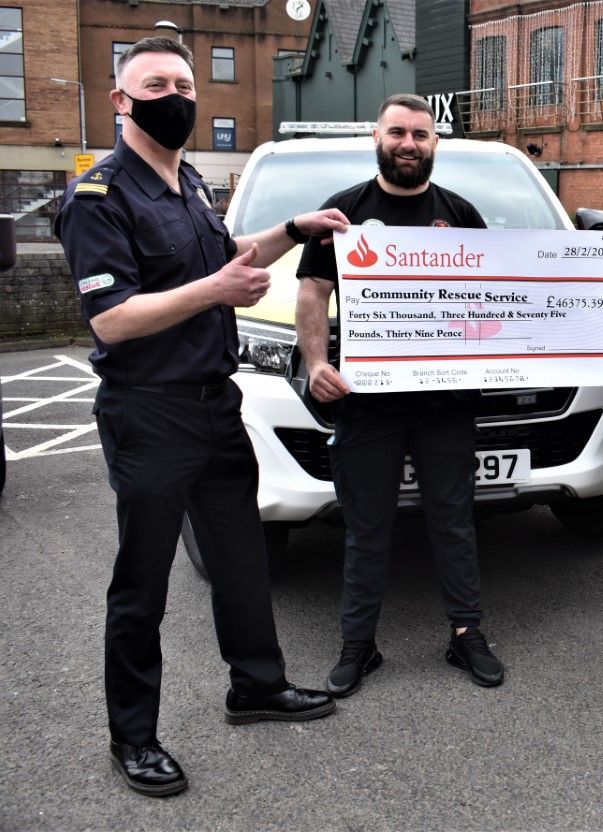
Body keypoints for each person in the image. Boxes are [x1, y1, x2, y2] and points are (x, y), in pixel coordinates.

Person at [54, 37, 343, 797]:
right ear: (121, 100)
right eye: (157, 84)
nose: (178, 94)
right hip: (149, 413)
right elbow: (112, 320)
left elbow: (231, 256)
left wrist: (296, 231)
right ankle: (134, 737)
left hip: (218, 405)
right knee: (141, 582)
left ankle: (256, 686)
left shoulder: (187, 185)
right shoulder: (98, 198)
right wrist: (216, 291)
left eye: (184, 83)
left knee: (241, 559)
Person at [296, 93, 504, 696]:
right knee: (367, 528)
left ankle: (466, 635)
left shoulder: (462, 214)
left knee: (454, 523)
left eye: (420, 133)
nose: (408, 143)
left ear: (435, 142)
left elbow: (494, 302)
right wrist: (316, 364)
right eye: (397, 132)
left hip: (446, 406)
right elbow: (313, 293)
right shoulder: (344, 211)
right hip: (368, 403)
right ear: (376, 137)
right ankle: (359, 646)